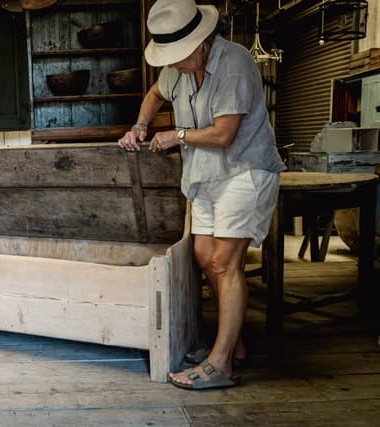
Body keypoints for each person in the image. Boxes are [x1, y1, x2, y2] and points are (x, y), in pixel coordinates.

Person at [118, 0, 286, 390]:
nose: (173, 63)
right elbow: (154, 95)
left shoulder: (235, 63)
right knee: (203, 256)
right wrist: (140, 126)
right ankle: (235, 343)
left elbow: (224, 134)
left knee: (226, 262)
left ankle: (221, 363)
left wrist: (175, 136)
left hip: (244, 170)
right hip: (205, 176)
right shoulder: (177, 70)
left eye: (178, 55)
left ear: (203, 41)